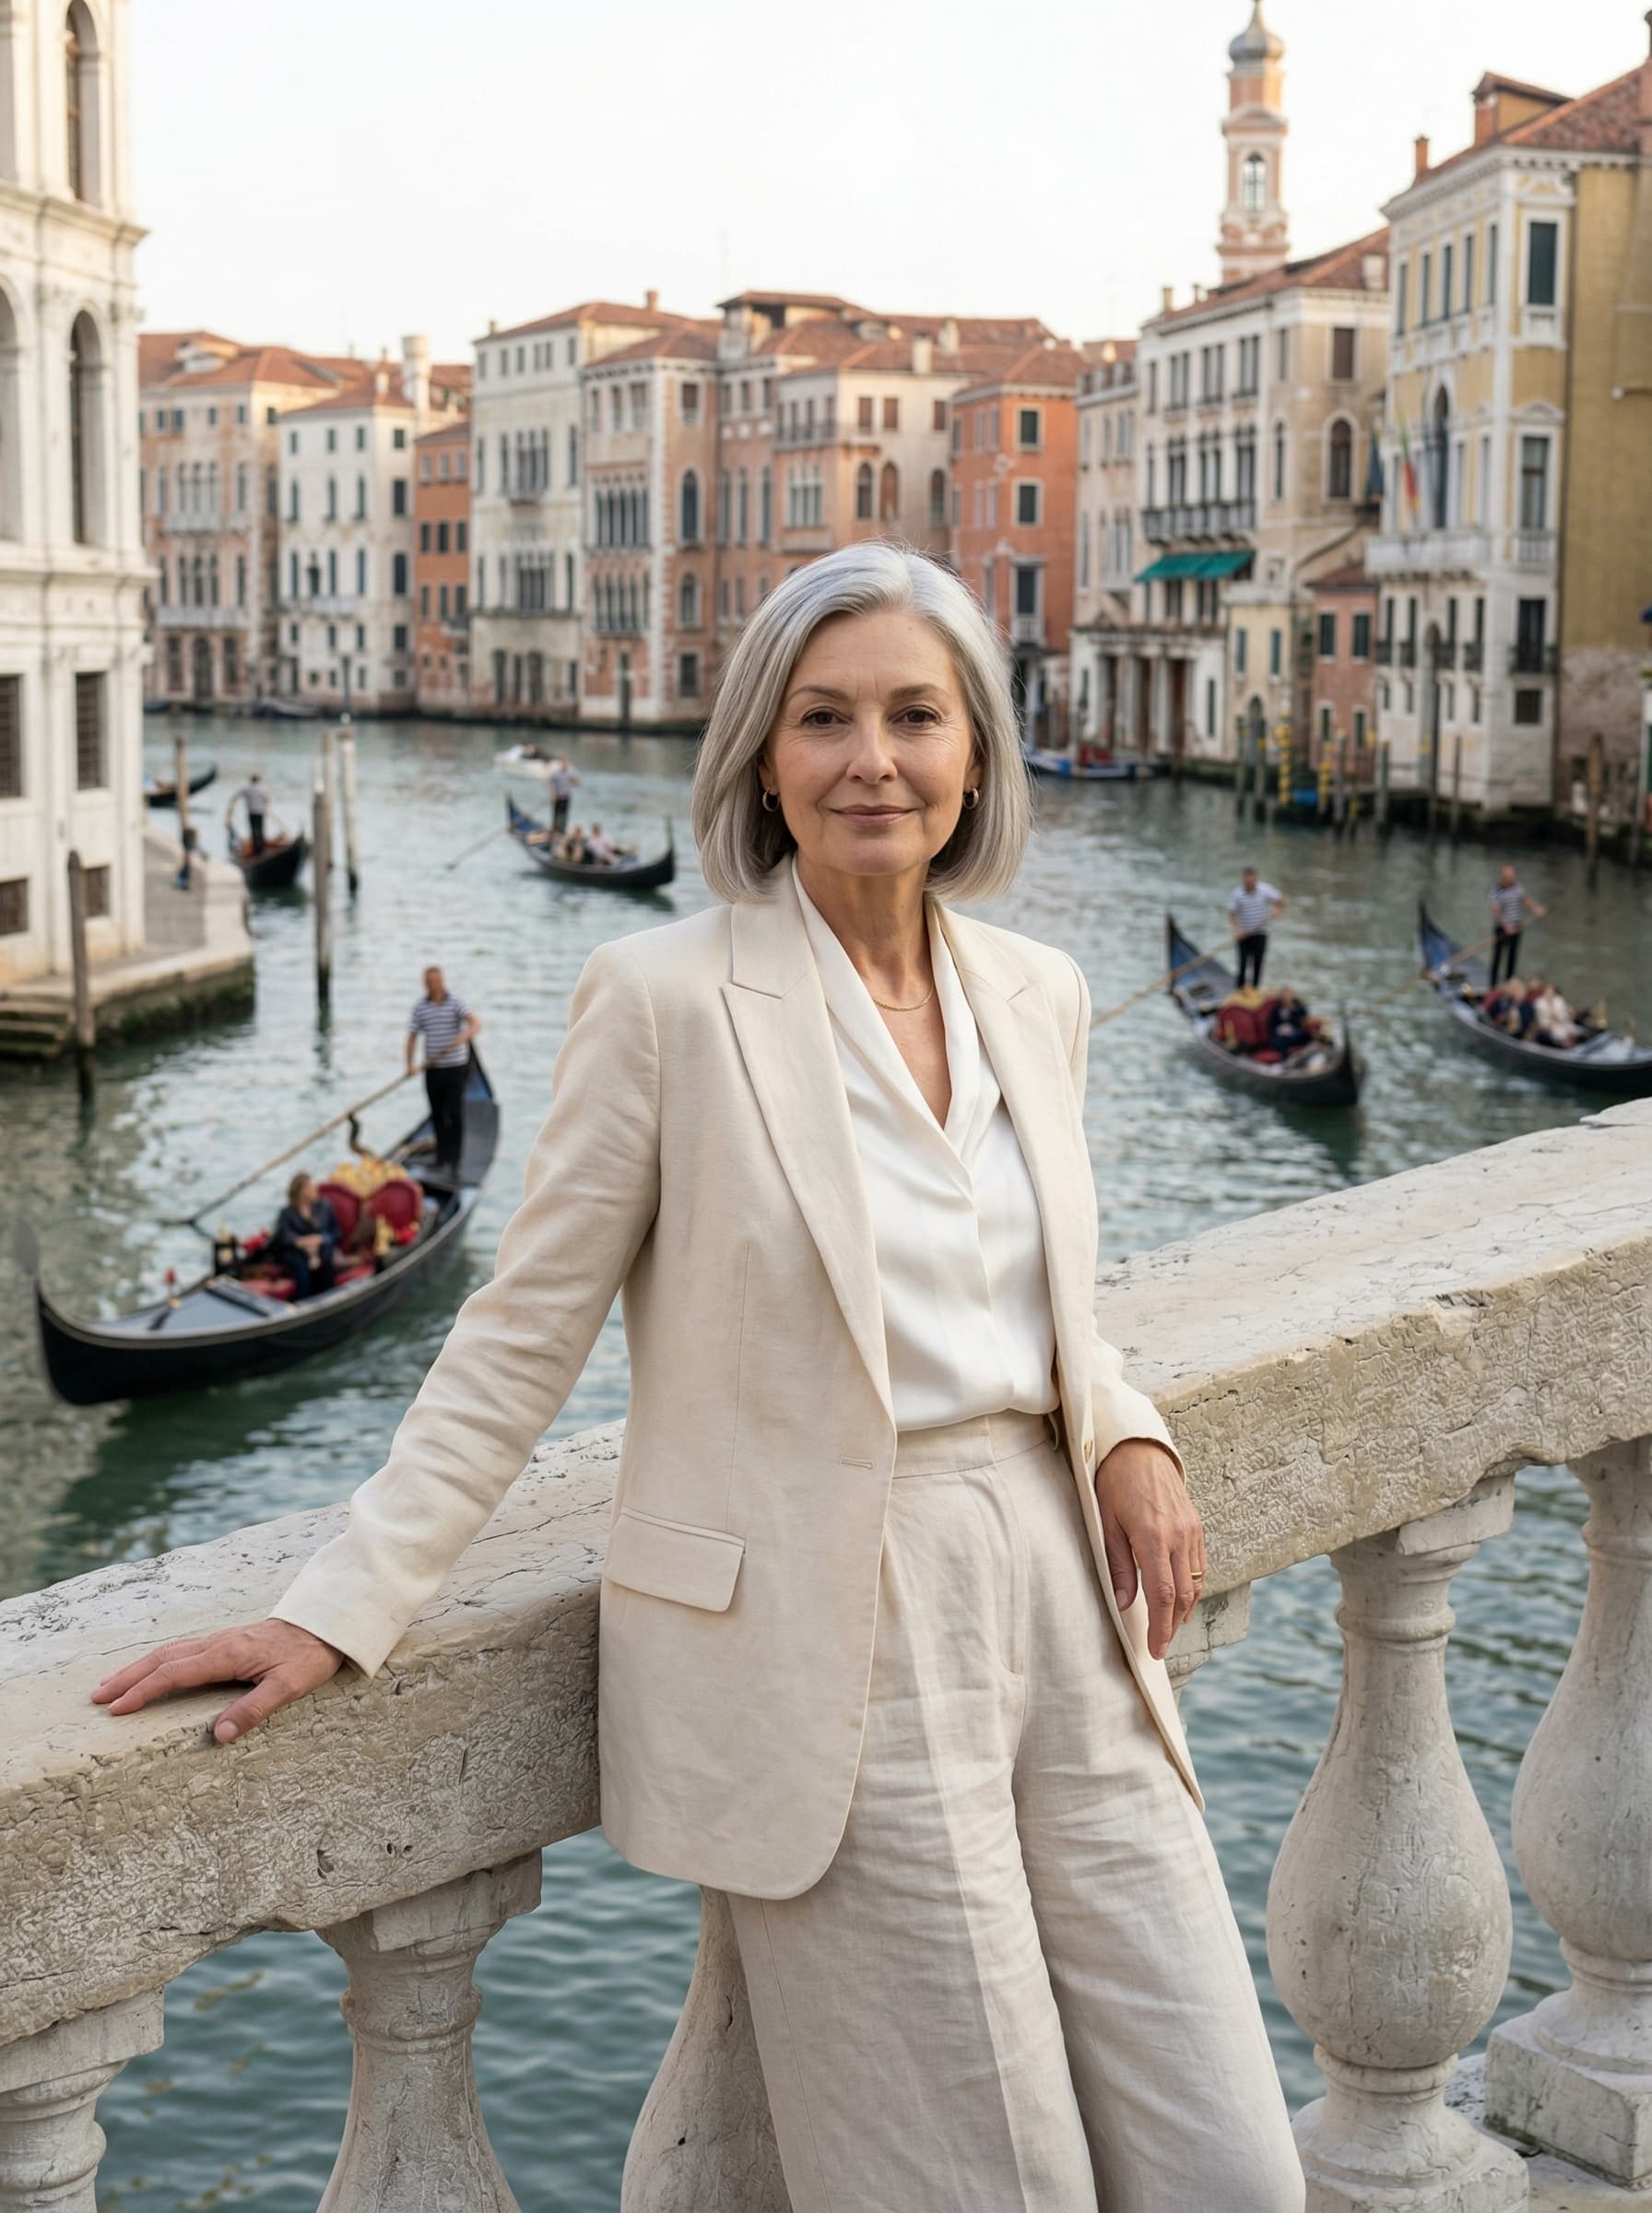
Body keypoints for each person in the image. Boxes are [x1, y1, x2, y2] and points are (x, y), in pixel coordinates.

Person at [90, 545, 1304, 2213]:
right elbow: (523, 1332)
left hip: (1062, 1586)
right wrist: (337, 1608)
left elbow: (1036, 1297)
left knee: (1225, 2147)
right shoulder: (663, 1000)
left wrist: (1127, 1432)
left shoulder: (1042, 992)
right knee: (983, 2176)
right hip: (829, 1620)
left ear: (974, 754)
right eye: (823, 718)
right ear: (761, 757)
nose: (871, 759)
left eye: (914, 716)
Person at [407, 966, 480, 1179]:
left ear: (442, 981)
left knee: (454, 1114)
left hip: (455, 1068)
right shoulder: (420, 1007)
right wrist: (410, 1065)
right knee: (437, 1114)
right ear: (425, 984)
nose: (434, 985)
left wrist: (464, 1037)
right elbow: (412, 1036)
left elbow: (475, 1023)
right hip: (433, 1068)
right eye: (429, 982)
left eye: (436, 981)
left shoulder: (456, 1002)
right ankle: (441, 1158)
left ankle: (455, 1162)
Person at [269, 1173, 340, 1298]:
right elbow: (282, 1236)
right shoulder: (287, 1213)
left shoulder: (324, 1207)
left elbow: (336, 1233)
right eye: (312, 1187)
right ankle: (304, 1297)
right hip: (297, 1253)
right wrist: (302, 1242)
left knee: (327, 1255)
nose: (316, 1189)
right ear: (302, 1191)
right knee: (297, 1261)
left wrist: (320, 1239)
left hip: (322, 1249)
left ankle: (328, 1295)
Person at [1226, 866, 1285, 989]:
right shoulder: (1237, 894)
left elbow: (1281, 901)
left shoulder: (1264, 889)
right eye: (1247, 881)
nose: (1249, 883)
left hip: (1260, 933)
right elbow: (1232, 914)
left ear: (1255, 879)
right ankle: (1240, 990)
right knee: (1242, 964)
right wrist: (1238, 931)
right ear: (1244, 880)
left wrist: (1277, 911)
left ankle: (1254, 990)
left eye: (1251, 880)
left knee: (1258, 962)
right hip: (1243, 935)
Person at [1490, 865, 1547, 988]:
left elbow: (1526, 900)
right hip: (1502, 929)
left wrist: (1537, 909)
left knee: (1512, 957)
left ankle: (1509, 984)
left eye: (1513, 877)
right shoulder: (1497, 891)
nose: (1512, 880)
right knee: (1498, 957)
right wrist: (1506, 926)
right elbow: (1496, 912)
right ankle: (1493, 986)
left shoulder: (1517, 887)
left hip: (1516, 928)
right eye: (1510, 878)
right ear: (1503, 878)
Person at [227, 771, 271, 856]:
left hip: (252, 813)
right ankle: (261, 850)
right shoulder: (262, 789)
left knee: (254, 831)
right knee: (260, 830)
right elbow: (267, 800)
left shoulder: (247, 788)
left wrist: (231, 807)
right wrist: (266, 808)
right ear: (258, 780)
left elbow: (235, 797)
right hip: (260, 812)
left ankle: (257, 850)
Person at [549, 754, 580, 834]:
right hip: (557, 796)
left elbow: (577, 783)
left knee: (564, 814)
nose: (565, 764)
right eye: (563, 763)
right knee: (556, 813)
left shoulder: (571, 773)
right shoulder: (557, 773)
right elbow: (550, 782)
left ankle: (562, 830)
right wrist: (552, 794)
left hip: (566, 796)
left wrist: (574, 780)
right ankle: (555, 829)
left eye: (566, 763)